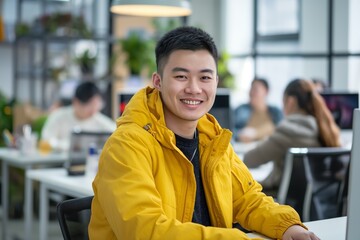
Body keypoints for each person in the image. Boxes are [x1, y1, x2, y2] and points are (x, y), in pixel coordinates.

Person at [89, 27, 319, 240]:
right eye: (181, 76)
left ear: (216, 83)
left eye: (205, 77)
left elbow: (248, 200)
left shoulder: (212, 139)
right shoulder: (126, 145)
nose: (194, 88)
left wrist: (288, 226)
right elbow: (145, 230)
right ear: (157, 82)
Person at [243, 78, 341, 193]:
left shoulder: (288, 130)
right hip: (320, 201)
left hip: (285, 201)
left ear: (290, 101)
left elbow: (249, 159)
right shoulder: (325, 128)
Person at [41, 81, 116, 151]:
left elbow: (114, 135)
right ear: (75, 102)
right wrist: (68, 146)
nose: (93, 110)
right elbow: (46, 141)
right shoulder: (58, 116)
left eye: (96, 105)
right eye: (89, 105)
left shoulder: (101, 120)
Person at [234, 78, 283, 142]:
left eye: (255, 89)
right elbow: (230, 131)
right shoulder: (241, 110)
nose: (251, 92)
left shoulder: (276, 112)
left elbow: (281, 132)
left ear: (266, 91)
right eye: (251, 89)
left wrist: (255, 133)